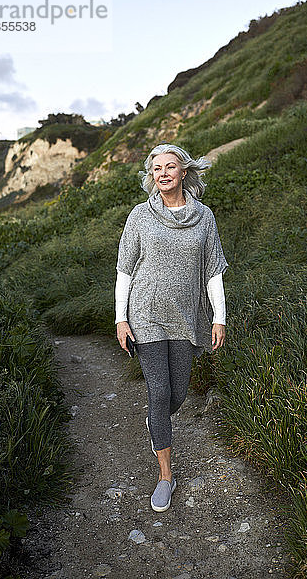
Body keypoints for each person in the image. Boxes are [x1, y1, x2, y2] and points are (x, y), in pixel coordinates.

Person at [115, 143, 228, 512]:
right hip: (145, 315)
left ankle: (157, 419)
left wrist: (219, 316)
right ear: (152, 176)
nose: (163, 173)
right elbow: (125, 270)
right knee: (160, 392)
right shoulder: (139, 216)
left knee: (176, 394)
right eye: (156, 168)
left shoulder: (205, 217)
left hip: (184, 316)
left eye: (171, 167)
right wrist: (121, 317)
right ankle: (166, 475)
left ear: (183, 172)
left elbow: (213, 270)